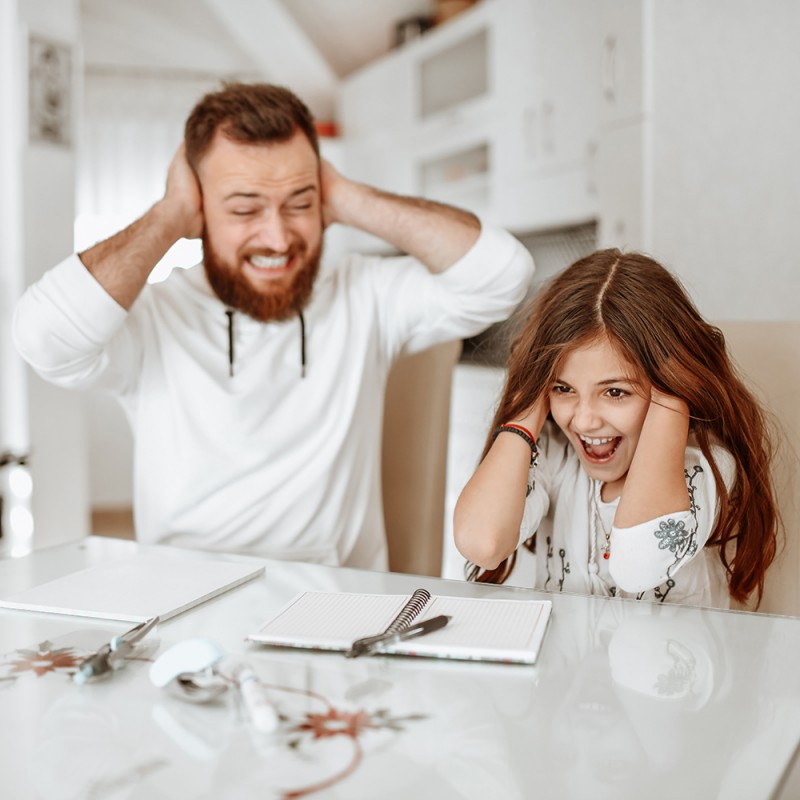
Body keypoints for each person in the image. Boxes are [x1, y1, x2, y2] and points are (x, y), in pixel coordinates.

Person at [14, 82, 534, 569]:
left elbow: (503, 275)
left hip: (335, 607)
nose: (279, 238)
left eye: (300, 204)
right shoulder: (155, 317)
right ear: (200, 209)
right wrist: (169, 214)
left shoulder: (365, 293)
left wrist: (346, 196)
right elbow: (44, 339)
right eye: (244, 209)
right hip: (187, 604)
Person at [453, 249, 778, 608]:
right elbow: (482, 544)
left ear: (665, 385)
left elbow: (638, 565)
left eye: (615, 392)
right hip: (564, 666)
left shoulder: (705, 463)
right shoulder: (551, 453)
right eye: (563, 388)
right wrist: (527, 398)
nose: (584, 419)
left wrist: (673, 397)